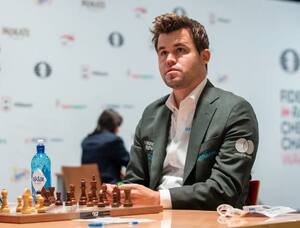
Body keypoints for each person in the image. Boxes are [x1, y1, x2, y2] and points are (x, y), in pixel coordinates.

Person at [118, 13, 259, 210]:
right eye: (163, 52)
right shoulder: (151, 113)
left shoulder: (235, 111)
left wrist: (158, 199)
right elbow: (135, 181)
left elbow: (225, 190)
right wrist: (116, 192)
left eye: (180, 50)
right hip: (151, 219)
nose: (169, 59)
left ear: (205, 56)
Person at [81, 109, 130, 184]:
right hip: (110, 189)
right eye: (117, 126)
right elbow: (131, 164)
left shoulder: (86, 141)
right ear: (113, 126)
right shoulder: (114, 140)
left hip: (89, 189)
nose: (118, 130)